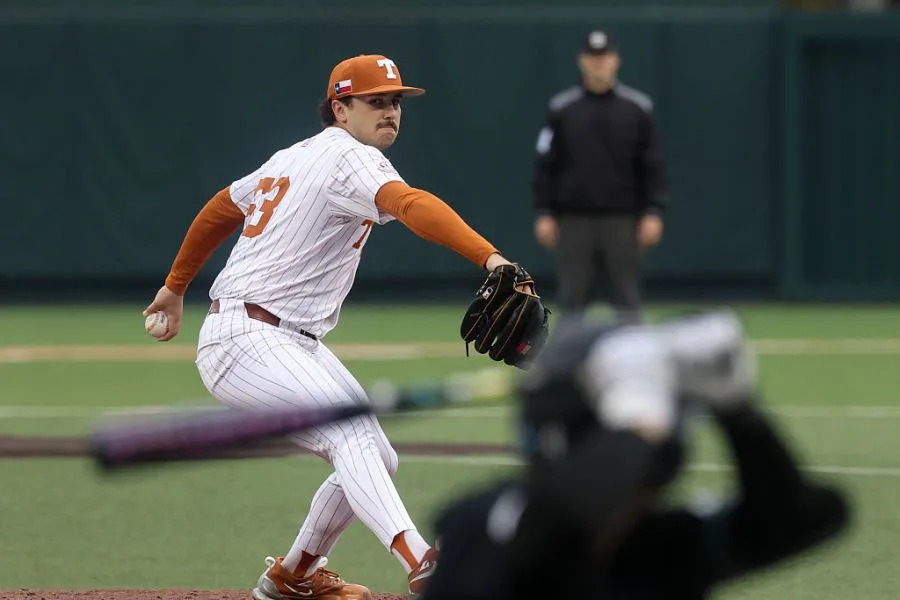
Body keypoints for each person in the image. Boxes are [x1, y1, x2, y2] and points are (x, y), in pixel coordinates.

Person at [142, 53, 539, 600]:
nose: (391, 112)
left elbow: (221, 206)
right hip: (250, 338)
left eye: (396, 101)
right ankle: (424, 563)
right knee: (349, 434)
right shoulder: (351, 157)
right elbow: (410, 203)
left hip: (278, 337)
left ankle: (295, 574)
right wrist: (490, 258)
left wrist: (175, 285)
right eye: (376, 101)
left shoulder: (294, 155)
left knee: (378, 455)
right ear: (340, 107)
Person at [422, 311, 850, 600]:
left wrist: (738, 410)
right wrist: (638, 418)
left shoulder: (658, 551)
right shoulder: (478, 526)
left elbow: (804, 518)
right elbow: (556, 526)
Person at [532, 30, 669, 323]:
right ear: (582, 61)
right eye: (593, 58)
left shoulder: (637, 109)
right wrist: (544, 212)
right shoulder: (562, 109)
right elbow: (546, 166)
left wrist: (653, 211)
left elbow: (652, 165)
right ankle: (567, 365)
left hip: (623, 219)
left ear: (615, 60)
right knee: (572, 298)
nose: (599, 64)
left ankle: (635, 363)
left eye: (604, 57)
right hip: (573, 220)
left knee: (626, 298)